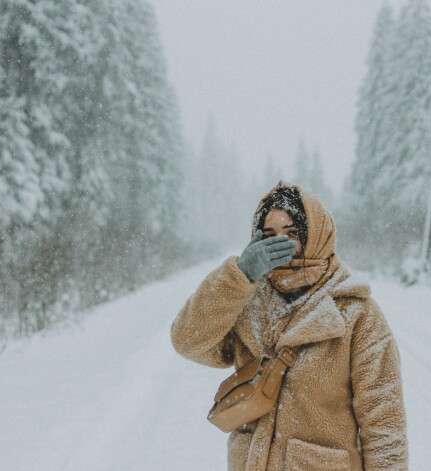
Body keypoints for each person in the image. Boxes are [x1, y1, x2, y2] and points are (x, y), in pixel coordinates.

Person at [171, 181, 408, 470]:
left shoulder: (356, 312)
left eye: (292, 233)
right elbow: (187, 340)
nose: (281, 245)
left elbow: (384, 423)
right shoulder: (246, 302)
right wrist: (239, 275)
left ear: (316, 235)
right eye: (269, 235)